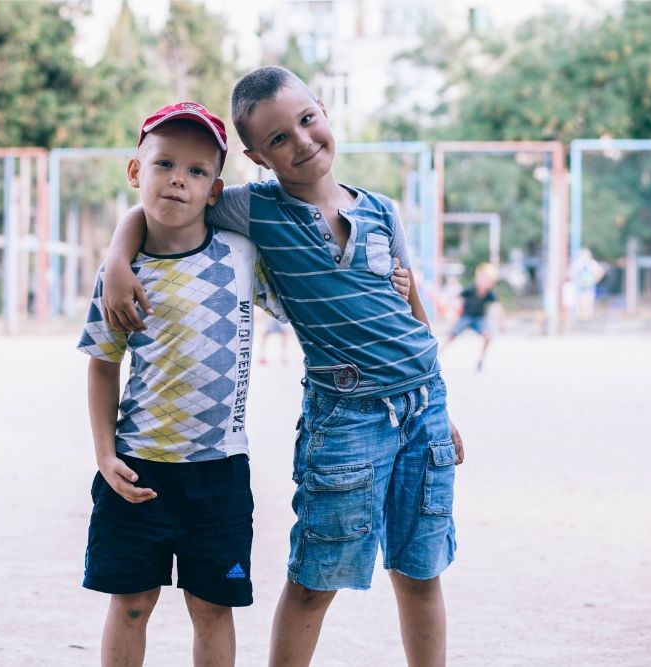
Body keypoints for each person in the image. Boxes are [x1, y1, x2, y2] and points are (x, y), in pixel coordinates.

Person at [100, 67, 465, 667]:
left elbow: (412, 312)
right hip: (345, 416)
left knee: (422, 569)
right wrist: (118, 256)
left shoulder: (383, 211)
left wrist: (442, 409)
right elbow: (164, 202)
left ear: (322, 109)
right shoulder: (252, 210)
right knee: (317, 576)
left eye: (306, 120)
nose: (300, 142)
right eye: (277, 139)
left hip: (423, 408)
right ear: (255, 157)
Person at [78, 101, 288, 667]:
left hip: (219, 472)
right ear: (134, 172)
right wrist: (104, 454)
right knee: (130, 604)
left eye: (197, 171)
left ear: (215, 190)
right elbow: (102, 363)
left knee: (212, 607)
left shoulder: (241, 257)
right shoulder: (122, 273)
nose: (178, 179)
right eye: (164, 163)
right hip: (137, 468)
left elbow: (300, 304)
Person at [441, 262, 502, 372]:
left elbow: (497, 306)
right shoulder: (471, 289)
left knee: (488, 336)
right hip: (466, 317)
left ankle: (480, 360)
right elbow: (458, 298)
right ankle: (437, 356)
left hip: (479, 319)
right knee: (451, 335)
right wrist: (450, 311)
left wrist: (501, 321)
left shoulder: (489, 293)